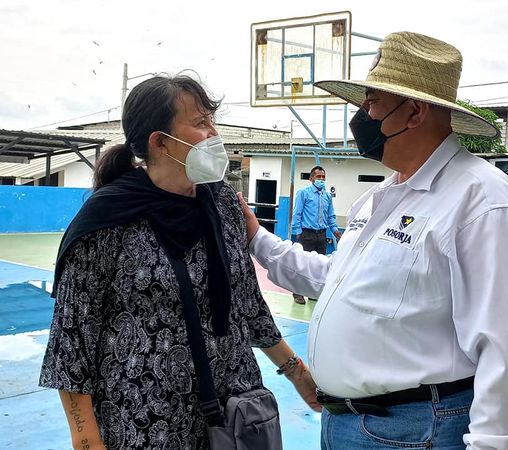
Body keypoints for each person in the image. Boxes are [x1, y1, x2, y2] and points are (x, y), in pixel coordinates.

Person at [239, 31, 508, 449]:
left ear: (414, 112)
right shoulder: (382, 195)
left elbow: (507, 352)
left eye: (372, 102)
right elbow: (335, 279)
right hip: (347, 422)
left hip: (413, 431)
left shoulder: (481, 200)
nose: (362, 115)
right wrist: (257, 237)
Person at [39, 75, 319, 450]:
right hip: (144, 425)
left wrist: (297, 373)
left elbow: (247, 303)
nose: (214, 134)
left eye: (212, 121)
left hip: (234, 416)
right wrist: (86, 439)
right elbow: (72, 339)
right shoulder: (106, 221)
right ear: (160, 142)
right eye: (201, 123)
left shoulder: (222, 204)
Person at [291, 165, 341, 304]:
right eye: (318, 176)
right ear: (311, 179)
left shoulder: (327, 196)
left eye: (323, 177)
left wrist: (336, 231)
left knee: (318, 266)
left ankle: (312, 293)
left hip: (322, 235)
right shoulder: (303, 193)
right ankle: (298, 293)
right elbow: (297, 213)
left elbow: (330, 216)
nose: (321, 179)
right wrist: (298, 233)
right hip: (306, 234)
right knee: (303, 264)